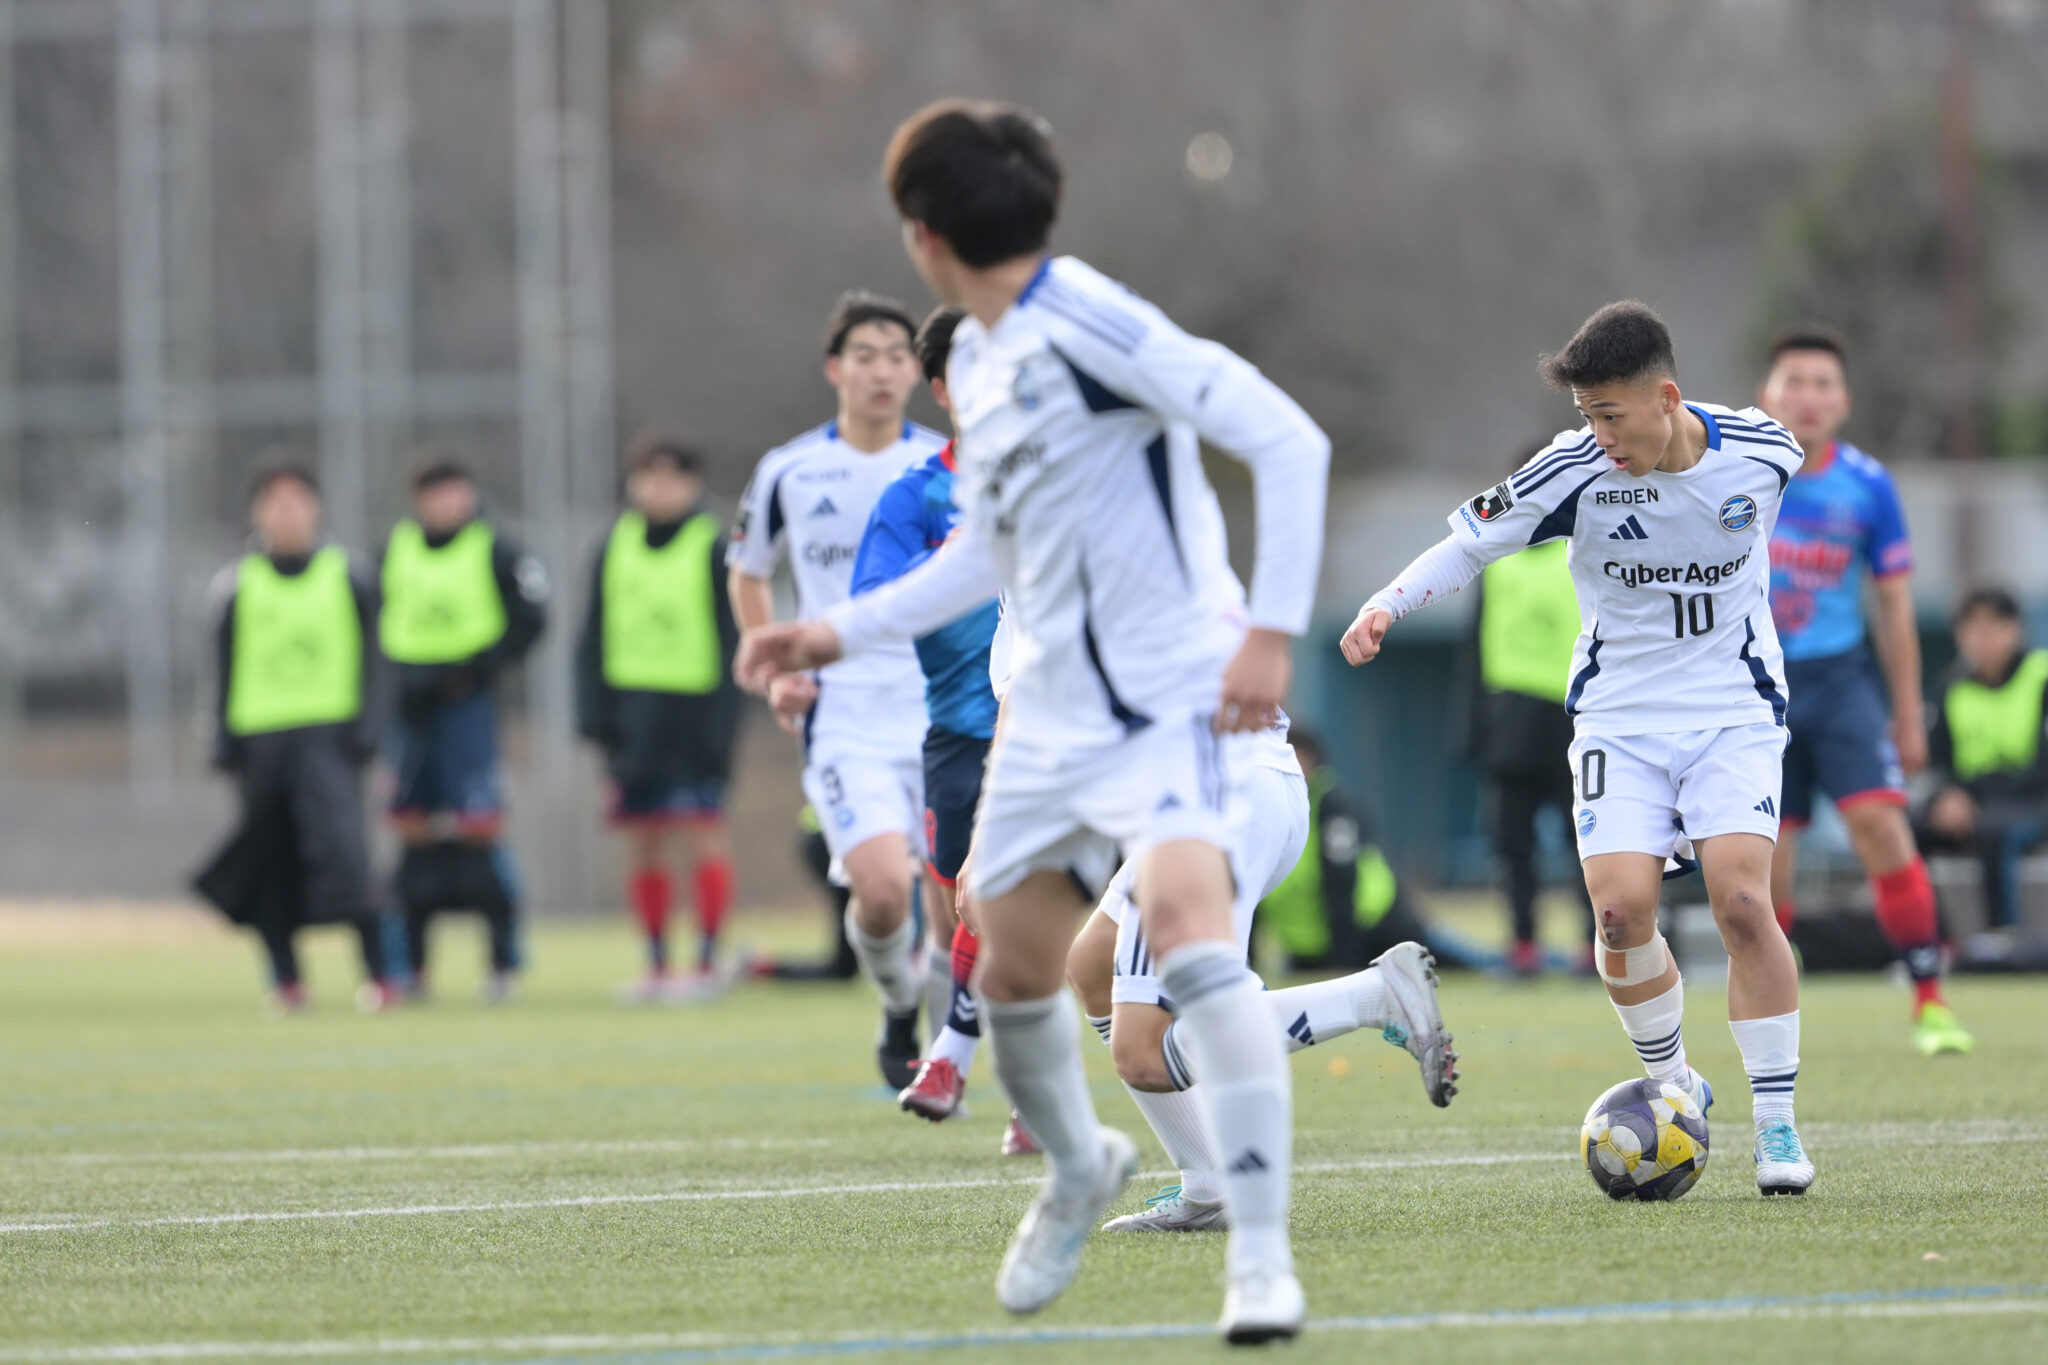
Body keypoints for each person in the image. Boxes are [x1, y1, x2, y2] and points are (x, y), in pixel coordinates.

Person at [741, 99, 1354, 1342]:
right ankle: (1079, 1164)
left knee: (1190, 943)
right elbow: (987, 552)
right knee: (1010, 959)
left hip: (1169, 695)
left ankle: (1260, 1259)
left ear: (921, 235)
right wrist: (834, 631)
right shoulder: (977, 361)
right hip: (1051, 707)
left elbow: (1287, 441)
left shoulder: (1094, 323)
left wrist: (1268, 631)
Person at [1343, 300, 1818, 1198]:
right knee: (1618, 914)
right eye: (1585, 415)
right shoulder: (1572, 472)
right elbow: (1467, 545)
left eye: (1609, 413)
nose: (1598, 434)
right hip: (1619, 719)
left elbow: (1802, 481)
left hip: (1733, 709)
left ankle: (1776, 1119)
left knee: (1743, 901)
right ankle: (1676, 1083)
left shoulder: (1764, 452)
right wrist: (1385, 605)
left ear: (1666, 398)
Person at [1063, 712, 1454, 1236]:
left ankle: (1377, 995)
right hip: (1253, 781)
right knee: (1092, 966)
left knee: (1142, 1055)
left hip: (1209, 791)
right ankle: (1209, 1189)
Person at [726, 292, 948, 1087]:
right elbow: (748, 571)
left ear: (917, 373)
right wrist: (778, 669)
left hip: (944, 706)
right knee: (884, 895)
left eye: (897, 355)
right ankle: (897, 1003)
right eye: (865, 355)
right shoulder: (789, 469)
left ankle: (950, 1058)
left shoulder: (946, 463)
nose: (882, 370)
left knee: (961, 902)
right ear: (835, 369)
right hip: (844, 712)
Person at [1756, 325, 1971, 1056]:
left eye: (1823, 383)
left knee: (1882, 826)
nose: (1808, 397)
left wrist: (1907, 713)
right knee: (1766, 862)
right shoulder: (1737, 475)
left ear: (1844, 400)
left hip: (1842, 679)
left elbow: (1895, 605)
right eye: (1794, 381)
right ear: (1767, 396)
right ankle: (1772, 1016)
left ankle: (1930, 998)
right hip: (1756, 686)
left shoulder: (1869, 485)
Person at [851, 305, 1004, 1126]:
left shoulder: (1061, 473)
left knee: (1029, 905)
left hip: (1063, 729)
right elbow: (872, 602)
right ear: (941, 389)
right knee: (960, 916)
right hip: (960, 731)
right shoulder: (916, 495)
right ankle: (962, 1056)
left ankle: (978, 1070)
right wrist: (953, 554)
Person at [194, 462, 395, 1011]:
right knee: (270, 863)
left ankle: (380, 974)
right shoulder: (236, 585)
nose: (286, 512)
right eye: (274, 501)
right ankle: (285, 979)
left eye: (296, 500)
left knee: (347, 858)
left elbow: (377, 661)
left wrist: (370, 728)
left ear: (316, 507)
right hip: (260, 738)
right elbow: (221, 669)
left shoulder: (349, 576)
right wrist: (220, 738)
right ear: (257, 512)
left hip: (329, 736)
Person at [575, 434, 742, 1002]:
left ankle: (706, 960)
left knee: (702, 834)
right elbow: (593, 635)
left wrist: (724, 726)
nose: (660, 488)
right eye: (649, 476)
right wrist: (594, 717)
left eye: (673, 477)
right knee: (642, 839)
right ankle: (655, 961)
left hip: (694, 717)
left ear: (693, 484)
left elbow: (732, 638)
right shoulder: (614, 545)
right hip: (632, 719)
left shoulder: (712, 546)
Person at [379, 455, 548, 1002]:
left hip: (468, 708)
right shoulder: (393, 551)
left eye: (458, 491)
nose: (450, 502)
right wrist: (401, 681)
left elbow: (531, 619)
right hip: (410, 713)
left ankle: (502, 962)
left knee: (480, 832)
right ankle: (410, 968)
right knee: (412, 836)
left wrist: (474, 668)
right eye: (438, 492)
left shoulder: (496, 550)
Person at [1462, 446, 1595, 974]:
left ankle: (1594, 945)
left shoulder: (1584, 551)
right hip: (1509, 724)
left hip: (1571, 719)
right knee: (1511, 844)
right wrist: (1470, 731)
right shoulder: (1496, 559)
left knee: (1585, 838)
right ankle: (1523, 945)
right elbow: (1472, 650)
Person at [1257, 727, 1490, 974]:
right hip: (1314, 944)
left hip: (1378, 925)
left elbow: (1341, 879)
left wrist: (1342, 957)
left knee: (1457, 960)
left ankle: (1508, 962)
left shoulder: (1331, 803)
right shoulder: (1265, 805)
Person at [1920, 587, 2048, 937]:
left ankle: (2001, 938)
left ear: (2016, 629)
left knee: (1995, 830)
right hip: (1976, 801)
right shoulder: (1952, 686)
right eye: (1973, 626)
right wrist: (1947, 795)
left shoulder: (2041, 677)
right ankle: (1931, 941)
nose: (1983, 637)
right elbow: (1940, 760)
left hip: (2033, 800)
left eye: (1994, 625)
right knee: (1908, 831)